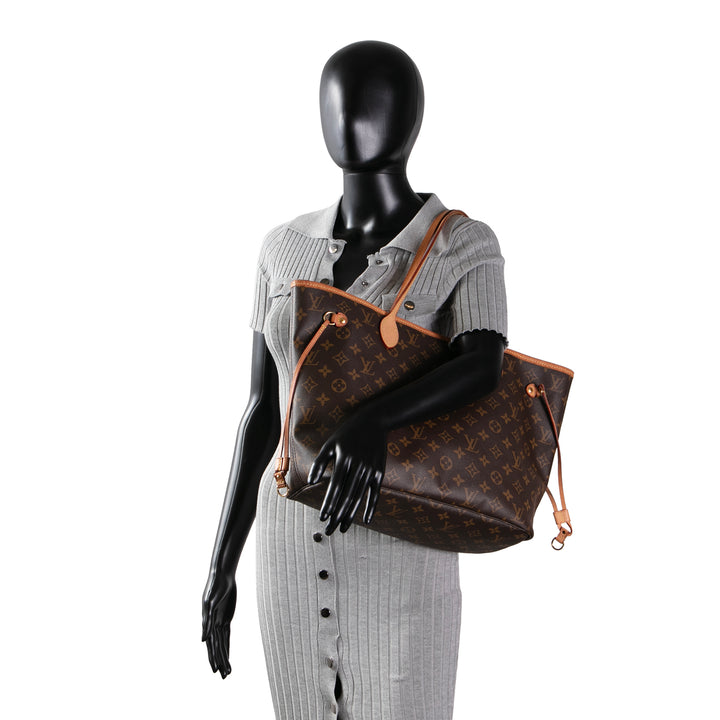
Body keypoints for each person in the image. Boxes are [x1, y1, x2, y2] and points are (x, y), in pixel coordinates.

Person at [202, 40, 508, 720]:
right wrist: (222, 563)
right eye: (337, 102)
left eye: (373, 102)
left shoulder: (463, 245)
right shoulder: (283, 248)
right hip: (285, 544)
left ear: (411, 118)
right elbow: (262, 410)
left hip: (401, 547)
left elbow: (482, 363)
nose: (351, 118)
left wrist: (376, 420)